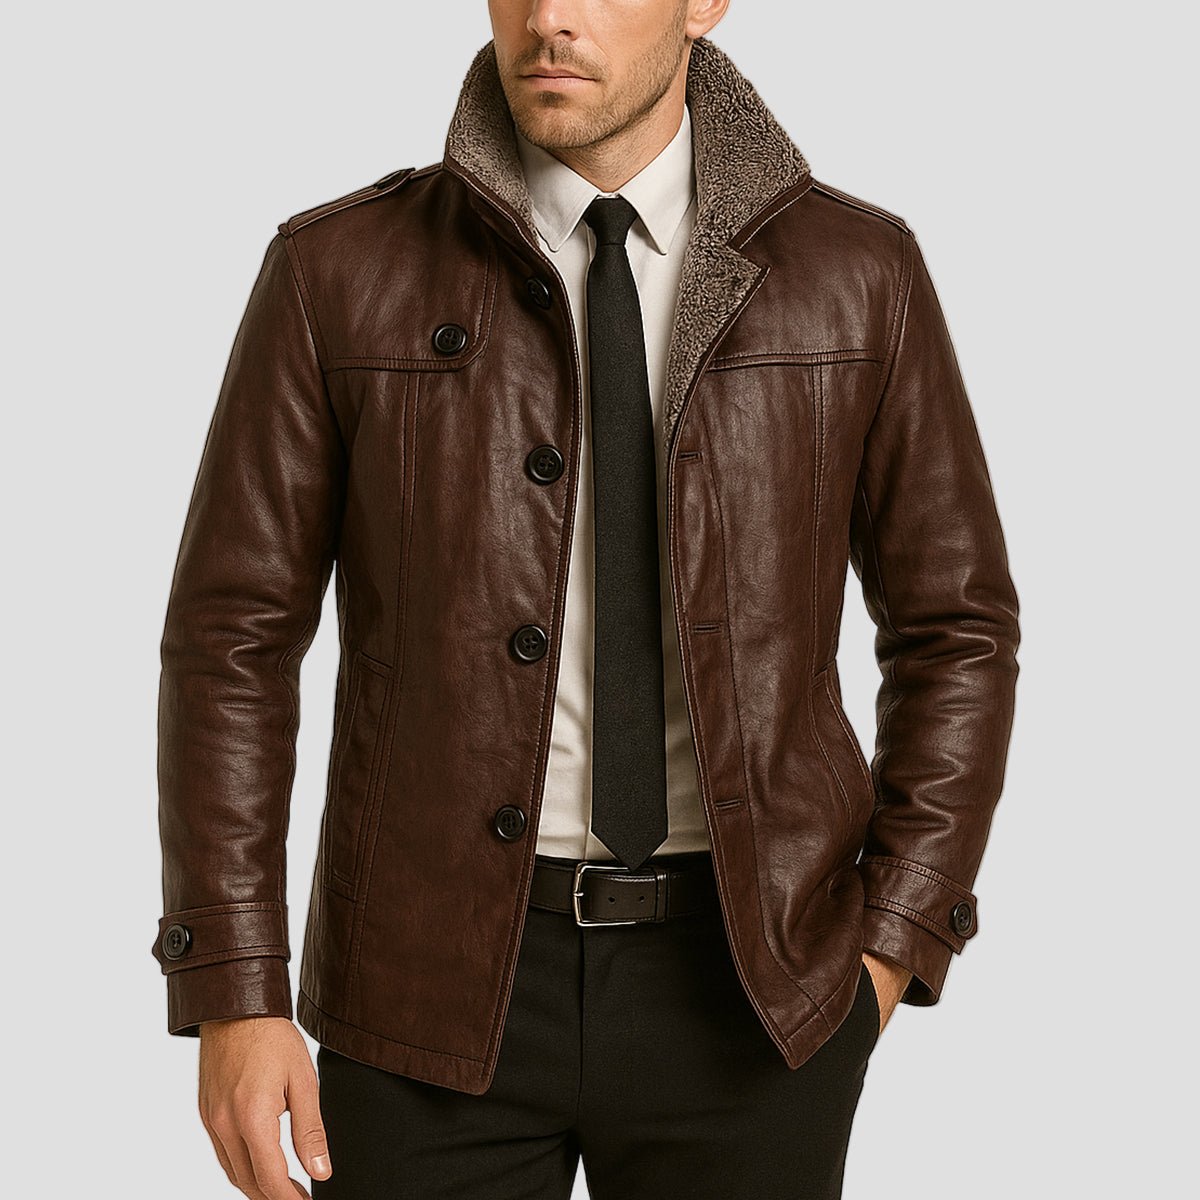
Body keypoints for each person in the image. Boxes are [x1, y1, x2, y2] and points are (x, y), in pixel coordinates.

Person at [151, 2, 1021, 1197]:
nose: (550, 18)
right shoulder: (337, 269)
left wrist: (889, 945)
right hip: (421, 986)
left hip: (756, 991)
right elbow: (231, 639)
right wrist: (233, 990)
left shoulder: (857, 273)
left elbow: (957, 627)